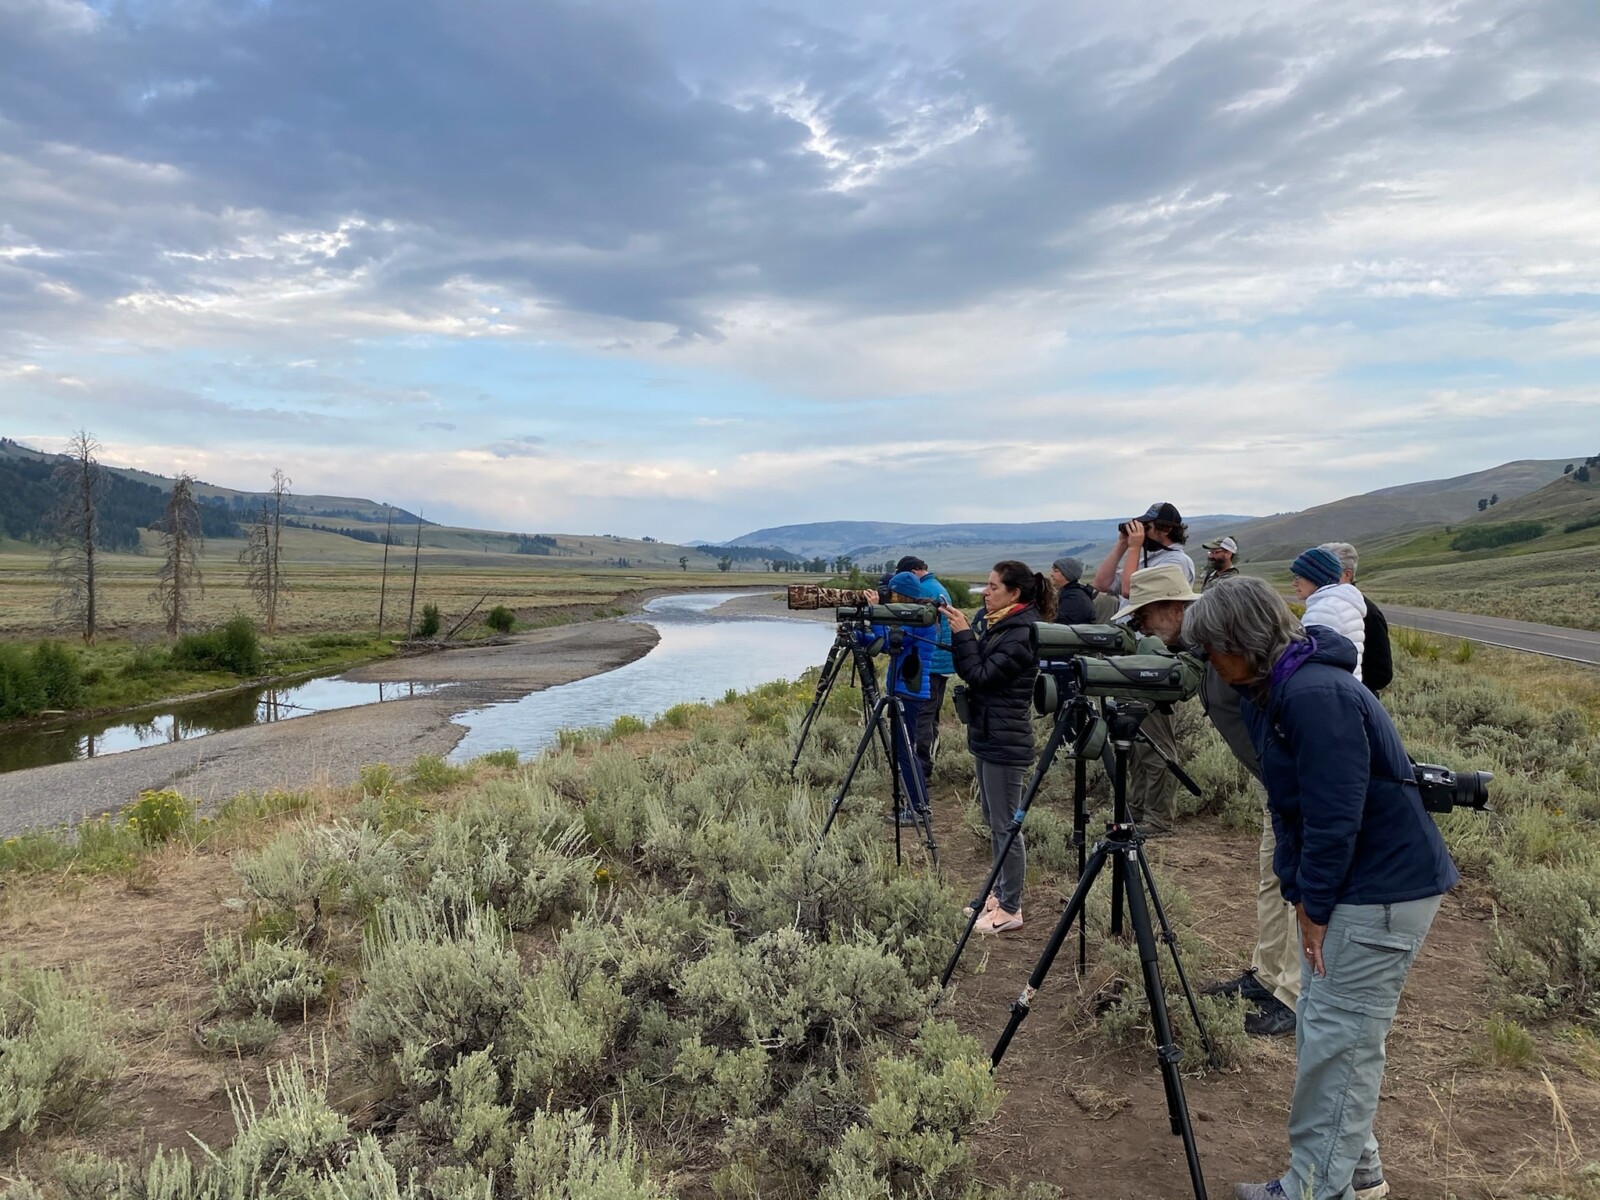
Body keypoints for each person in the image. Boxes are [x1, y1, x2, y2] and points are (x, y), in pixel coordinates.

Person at [1182, 576, 1458, 1200]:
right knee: (1332, 1031)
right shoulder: (1277, 689)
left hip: (1380, 889)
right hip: (1368, 884)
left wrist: (1315, 903)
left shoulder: (1315, 696)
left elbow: (1336, 816)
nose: (1209, 666)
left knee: (1338, 1039)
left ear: (1241, 641)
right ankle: (1356, 1174)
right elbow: (1290, 805)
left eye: (1211, 652)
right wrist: (1298, 887)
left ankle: (1314, 1189)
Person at [941, 560, 1054, 935]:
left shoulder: (1022, 632)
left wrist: (963, 636)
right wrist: (965, 636)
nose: (985, 593)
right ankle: (997, 893)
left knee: (1006, 826)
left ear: (1014, 593)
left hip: (1006, 741)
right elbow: (969, 669)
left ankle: (1010, 909)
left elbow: (982, 676)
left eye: (992, 587)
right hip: (989, 734)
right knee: (994, 822)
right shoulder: (1000, 625)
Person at [1107, 564, 1200, 835]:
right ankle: (1138, 810)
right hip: (1151, 681)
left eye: (1144, 616)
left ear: (1175, 608)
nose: (1141, 625)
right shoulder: (1172, 635)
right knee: (1137, 749)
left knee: (1156, 750)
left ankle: (1158, 818)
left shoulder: (1201, 637)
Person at [874, 570, 938, 825]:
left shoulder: (918, 620)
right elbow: (884, 644)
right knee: (905, 751)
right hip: (908, 691)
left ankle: (919, 808)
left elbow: (889, 643)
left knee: (905, 752)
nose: (888, 596)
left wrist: (875, 612)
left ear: (900, 593)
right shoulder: (915, 616)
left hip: (908, 693)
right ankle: (918, 805)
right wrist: (857, 635)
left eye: (891, 592)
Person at [896, 555, 953, 786]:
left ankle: (921, 769)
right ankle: (926, 763)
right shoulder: (936, 587)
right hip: (940, 661)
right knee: (931, 716)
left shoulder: (923, 590)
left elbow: (911, 629)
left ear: (913, 572)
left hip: (928, 663)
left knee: (922, 717)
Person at [1321, 542, 1393, 695]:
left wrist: (1345, 685)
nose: (1318, 577)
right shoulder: (1324, 607)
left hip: (1355, 701)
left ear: (1347, 575)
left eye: (1326, 571)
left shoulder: (1369, 613)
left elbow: (1381, 675)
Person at [1291, 546, 1366, 681]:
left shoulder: (1324, 610)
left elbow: (1307, 660)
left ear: (1314, 577)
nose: (1294, 583)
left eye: (1298, 576)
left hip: (1327, 687)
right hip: (1346, 685)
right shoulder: (1343, 602)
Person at [1093, 501, 1196, 600]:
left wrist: (1134, 548)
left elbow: (1130, 591)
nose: (1143, 533)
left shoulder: (1178, 562)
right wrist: (1122, 543)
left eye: (1147, 528)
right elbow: (1101, 584)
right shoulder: (1148, 560)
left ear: (1166, 529)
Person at [1051, 555, 1097, 624]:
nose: (1052, 574)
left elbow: (1062, 625)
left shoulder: (1074, 598)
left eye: (1056, 571)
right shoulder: (1070, 594)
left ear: (1067, 574)